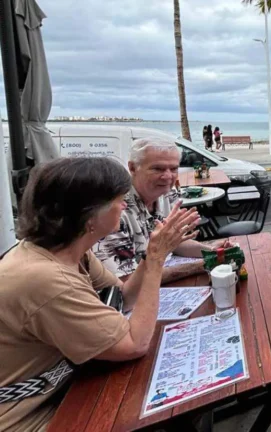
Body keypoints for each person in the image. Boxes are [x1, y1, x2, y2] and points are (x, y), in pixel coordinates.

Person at [0, 157, 199, 432]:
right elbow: (134, 343)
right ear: (89, 215)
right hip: (28, 416)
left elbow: (124, 296)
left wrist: (154, 252)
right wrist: (155, 259)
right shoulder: (47, 279)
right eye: (118, 199)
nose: (125, 205)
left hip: (64, 389)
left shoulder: (68, 252)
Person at [93, 138, 231, 282]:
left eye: (173, 169)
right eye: (157, 169)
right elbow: (127, 280)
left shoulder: (166, 194)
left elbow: (174, 243)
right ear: (133, 168)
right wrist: (203, 264)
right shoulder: (115, 210)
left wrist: (213, 252)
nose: (168, 176)